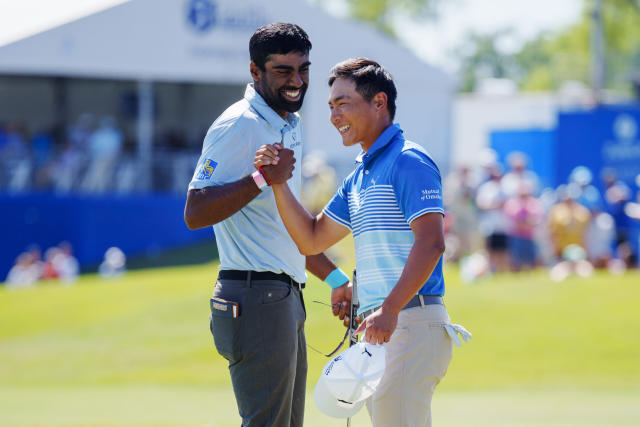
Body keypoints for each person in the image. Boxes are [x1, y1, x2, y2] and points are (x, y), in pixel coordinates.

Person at [255, 57, 455, 427]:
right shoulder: (360, 174)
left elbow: (431, 243)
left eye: (343, 103)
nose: (334, 116)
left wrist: (390, 309)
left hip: (409, 321)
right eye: (331, 106)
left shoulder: (409, 160)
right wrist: (278, 181)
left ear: (379, 103)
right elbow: (311, 238)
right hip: (385, 329)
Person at [183, 23, 351, 427]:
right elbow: (194, 211)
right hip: (255, 296)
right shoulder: (239, 124)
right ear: (255, 72)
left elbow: (287, 230)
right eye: (283, 71)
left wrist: (336, 279)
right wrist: (261, 178)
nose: (296, 82)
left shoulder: (286, 124)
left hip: (280, 296)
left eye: (303, 70)